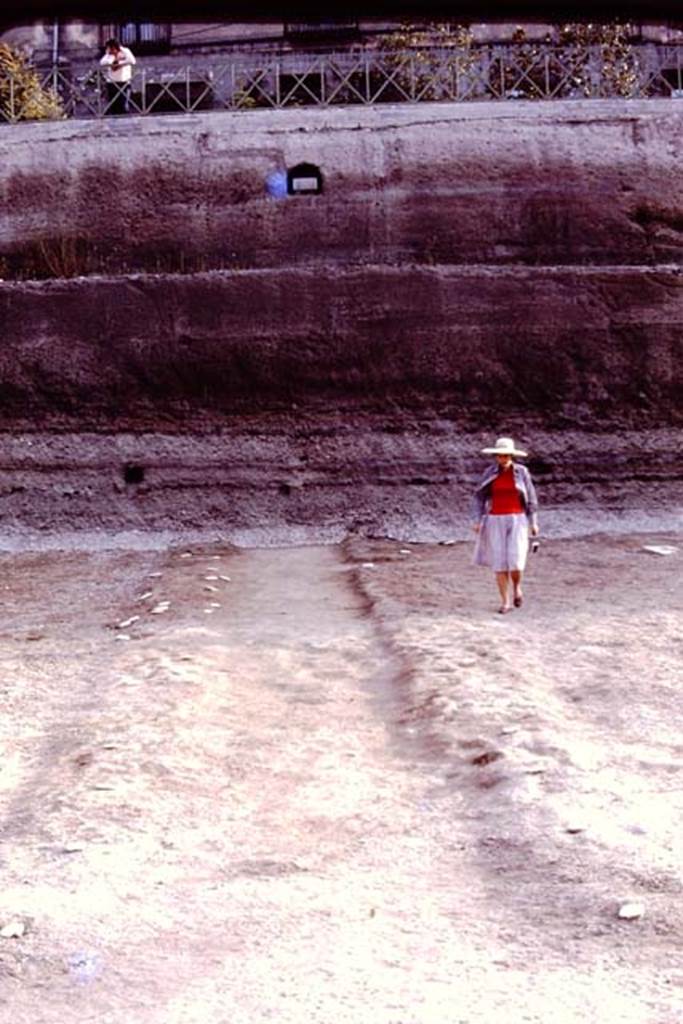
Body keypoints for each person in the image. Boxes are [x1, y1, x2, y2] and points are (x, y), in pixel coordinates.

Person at [472, 437, 539, 614]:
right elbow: (479, 497)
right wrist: (478, 520)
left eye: (506, 456)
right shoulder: (490, 473)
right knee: (499, 562)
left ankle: (517, 587)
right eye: (500, 456)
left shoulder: (522, 472)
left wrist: (533, 521)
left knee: (516, 560)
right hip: (495, 519)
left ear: (511, 456)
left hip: (517, 518)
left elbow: (531, 498)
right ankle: (505, 601)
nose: (503, 459)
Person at [100, 37, 136, 115]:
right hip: (112, 82)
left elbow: (132, 61)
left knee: (123, 105)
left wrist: (120, 62)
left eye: (111, 48)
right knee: (113, 105)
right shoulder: (109, 55)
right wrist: (112, 57)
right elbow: (102, 62)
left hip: (124, 82)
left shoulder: (125, 51)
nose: (110, 50)